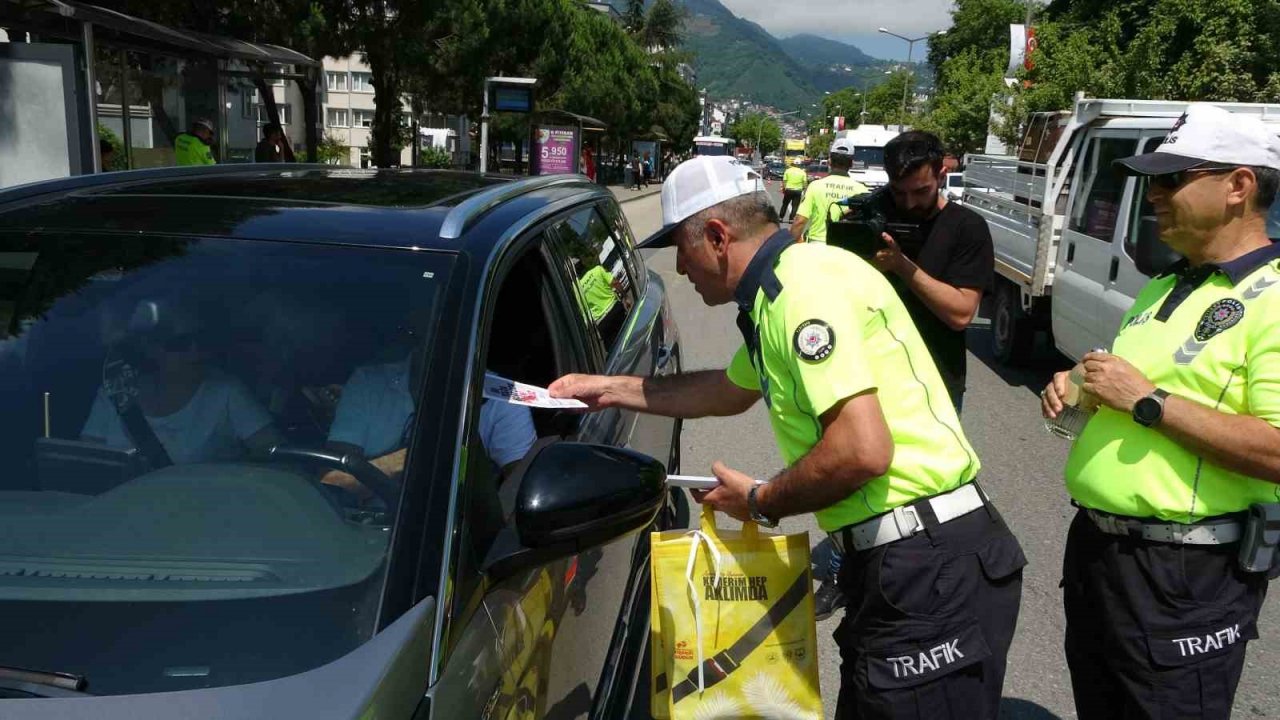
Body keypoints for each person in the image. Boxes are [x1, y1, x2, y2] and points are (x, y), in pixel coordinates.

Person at [550, 156, 1025, 720]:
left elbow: (862, 450)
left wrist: (760, 500)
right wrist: (608, 388)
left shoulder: (800, 290)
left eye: (681, 246)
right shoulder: (783, 289)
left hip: (927, 568)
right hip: (911, 565)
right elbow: (726, 391)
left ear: (718, 236)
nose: (680, 267)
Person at [1041, 103, 1280, 720]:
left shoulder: (1274, 296)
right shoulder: (1166, 284)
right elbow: (1125, 388)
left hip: (1184, 573)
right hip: (1102, 554)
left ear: (1238, 185)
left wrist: (1147, 400)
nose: (1153, 195)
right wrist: (1079, 387)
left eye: (1172, 179)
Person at [812, 131, 994, 621]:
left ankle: (922, 574)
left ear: (941, 172)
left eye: (921, 191)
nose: (911, 203)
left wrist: (902, 266)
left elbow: (960, 312)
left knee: (926, 486)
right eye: (901, 193)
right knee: (851, 478)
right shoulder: (872, 211)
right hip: (865, 375)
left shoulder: (967, 228)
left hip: (934, 382)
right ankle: (840, 569)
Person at [81, 299, 282, 464]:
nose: (195, 352)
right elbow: (88, 462)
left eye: (201, 341)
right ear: (151, 348)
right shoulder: (116, 391)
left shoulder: (227, 392)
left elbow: (276, 457)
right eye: (180, 344)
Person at [322, 349, 536, 499]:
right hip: (360, 529)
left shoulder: (503, 398)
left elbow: (522, 492)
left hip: (454, 540)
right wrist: (412, 458)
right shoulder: (368, 382)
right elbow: (332, 483)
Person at [790, 139, 870, 243]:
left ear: (829, 161)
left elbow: (799, 222)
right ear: (851, 163)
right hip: (846, 249)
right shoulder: (862, 190)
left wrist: (790, 246)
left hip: (817, 246)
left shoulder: (815, 186)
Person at [780, 158, 808, 222]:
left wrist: (784, 189)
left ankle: (781, 217)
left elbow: (784, 181)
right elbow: (805, 183)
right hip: (798, 190)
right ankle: (791, 219)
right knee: (795, 206)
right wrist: (803, 190)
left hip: (789, 190)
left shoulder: (788, 171)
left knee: (785, 204)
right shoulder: (802, 172)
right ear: (800, 164)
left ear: (793, 163)